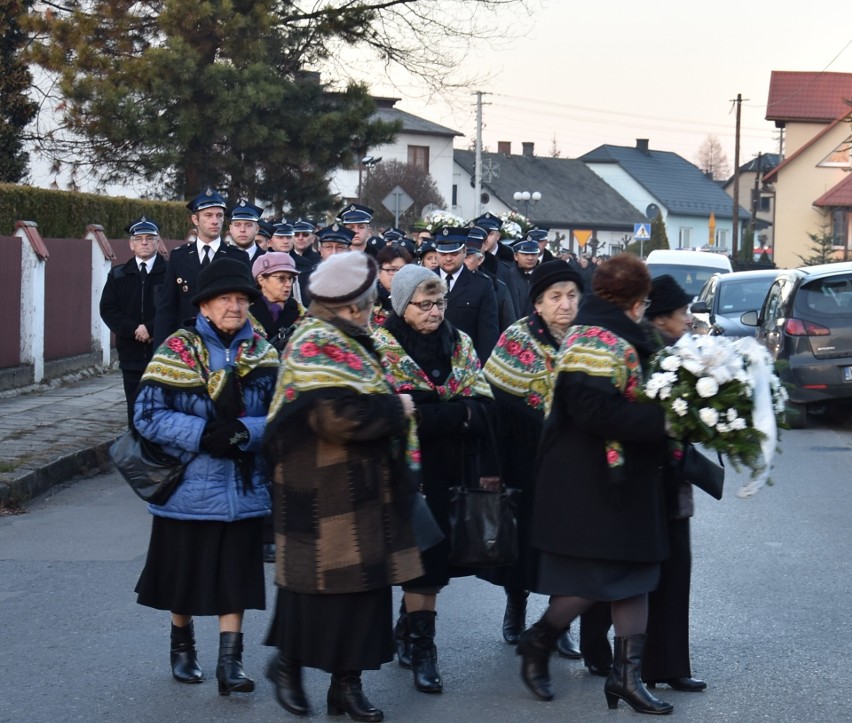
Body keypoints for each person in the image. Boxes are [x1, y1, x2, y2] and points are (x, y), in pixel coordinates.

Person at [262, 252, 423, 721]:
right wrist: (399, 411)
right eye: (370, 300)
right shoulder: (314, 340)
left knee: (364, 592)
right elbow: (336, 417)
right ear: (352, 304)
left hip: (361, 486)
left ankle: (346, 688)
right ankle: (286, 665)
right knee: (315, 588)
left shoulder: (351, 338)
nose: (374, 307)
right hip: (319, 487)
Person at [518, 253, 673, 715]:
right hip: (590, 479)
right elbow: (592, 411)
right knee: (600, 577)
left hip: (626, 476)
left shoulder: (625, 333)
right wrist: (664, 420)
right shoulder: (591, 339)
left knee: (635, 574)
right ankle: (539, 640)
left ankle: (626, 677)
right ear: (634, 301)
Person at [134, 257, 279, 696]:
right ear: (205, 304)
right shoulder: (177, 348)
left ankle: (230, 664)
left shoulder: (264, 352)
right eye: (225, 299)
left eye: (241, 299)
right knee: (184, 575)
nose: (235, 307)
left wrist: (243, 431)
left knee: (235, 576)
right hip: (187, 486)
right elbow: (147, 415)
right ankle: (182, 647)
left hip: (242, 487)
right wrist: (202, 434)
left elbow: (283, 416)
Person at [373, 264, 499, 696]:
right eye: (424, 304)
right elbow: (385, 411)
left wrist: (428, 414)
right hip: (404, 471)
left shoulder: (459, 343)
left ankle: (409, 626)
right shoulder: (381, 348)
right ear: (402, 306)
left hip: (451, 469)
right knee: (420, 564)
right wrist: (454, 413)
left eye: (440, 302)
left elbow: (481, 408)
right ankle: (425, 652)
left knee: (437, 563)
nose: (434, 311)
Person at [480, 260, 584, 652]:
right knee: (522, 544)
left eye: (572, 296)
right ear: (537, 303)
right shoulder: (516, 339)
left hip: (573, 462)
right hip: (524, 458)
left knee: (568, 545)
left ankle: (559, 625)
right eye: (555, 297)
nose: (565, 304)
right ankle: (516, 607)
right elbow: (495, 404)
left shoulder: (587, 341)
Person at [640, 274, 707, 693]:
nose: (687, 319)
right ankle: (608, 655)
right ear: (662, 316)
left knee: (675, 568)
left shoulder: (673, 349)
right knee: (640, 573)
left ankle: (668, 664)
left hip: (671, 479)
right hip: (647, 480)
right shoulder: (647, 350)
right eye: (682, 312)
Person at [153, 188, 246, 346]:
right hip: (186, 343)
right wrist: (160, 348)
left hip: (225, 343)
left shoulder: (237, 257)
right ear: (195, 220)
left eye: (219, 216)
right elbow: (167, 308)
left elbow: (245, 305)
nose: (215, 221)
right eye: (208, 215)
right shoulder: (179, 257)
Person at [99, 216, 166, 428]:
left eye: (149, 238)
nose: (144, 242)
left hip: (163, 352)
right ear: (131, 244)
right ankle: (137, 447)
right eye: (139, 238)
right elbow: (108, 309)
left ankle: (161, 451)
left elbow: (175, 307)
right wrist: (134, 330)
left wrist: (151, 328)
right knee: (135, 405)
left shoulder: (170, 273)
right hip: (131, 352)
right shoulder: (119, 274)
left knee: (163, 405)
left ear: (157, 242)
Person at [434, 226, 500, 362]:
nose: (448, 259)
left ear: (465, 251)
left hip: (465, 362)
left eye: (454, 254)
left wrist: (483, 369)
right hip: (429, 358)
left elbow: (488, 333)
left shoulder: (481, 285)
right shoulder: (423, 280)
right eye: (443, 254)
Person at [250, 252, 305, 351]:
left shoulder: (302, 314)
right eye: (282, 278)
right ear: (261, 280)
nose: (288, 284)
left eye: (290, 278)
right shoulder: (244, 312)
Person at [297, 223, 354, 307]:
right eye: (328, 247)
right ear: (320, 250)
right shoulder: (302, 279)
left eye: (340, 247)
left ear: (348, 251)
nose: (334, 253)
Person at [371, 244, 412, 328]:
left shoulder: (416, 298)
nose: (397, 275)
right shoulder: (368, 300)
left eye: (403, 270)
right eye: (392, 270)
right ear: (378, 272)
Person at [227, 200, 265, 266]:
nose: (242, 230)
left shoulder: (270, 259)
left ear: (257, 229)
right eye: (237, 225)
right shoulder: (220, 257)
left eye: (248, 225)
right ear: (231, 229)